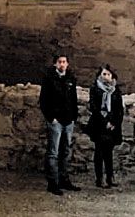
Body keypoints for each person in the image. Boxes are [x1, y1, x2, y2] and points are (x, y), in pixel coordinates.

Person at [39, 54, 80, 196]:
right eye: (59, 62)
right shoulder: (49, 79)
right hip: (56, 121)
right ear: (55, 64)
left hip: (68, 120)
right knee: (53, 152)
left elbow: (73, 99)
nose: (62, 64)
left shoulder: (70, 79)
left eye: (64, 62)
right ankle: (53, 183)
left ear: (67, 64)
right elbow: (43, 100)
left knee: (65, 151)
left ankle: (64, 179)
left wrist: (74, 117)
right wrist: (51, 118)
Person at [87, 64, 124, 189]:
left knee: (109, 151)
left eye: (108, 74)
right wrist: (104, 122)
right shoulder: (95, 88)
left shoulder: (115, 90)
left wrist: (114, 122)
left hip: (112, 123)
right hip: (99, 123)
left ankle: (110, 176)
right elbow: (93, 107)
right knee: (99, 151)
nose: (106, 77)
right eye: (104, 74)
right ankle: (99, 178)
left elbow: (119, 108)